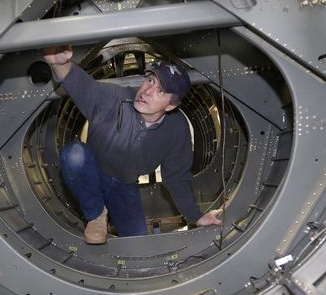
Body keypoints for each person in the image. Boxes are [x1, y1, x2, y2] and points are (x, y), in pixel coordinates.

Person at [43, 45, 223, 244]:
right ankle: (96, 215)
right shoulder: (114, 99)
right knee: (74, 154)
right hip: (93, 173)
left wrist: (197, 216)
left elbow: (177, 178)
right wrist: (60, 64)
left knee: (138, 241)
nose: (147, 91)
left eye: (160, 90)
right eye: (150, 80)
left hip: (124, 186)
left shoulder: (177, 129)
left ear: (171, 106)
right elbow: (80, 85)